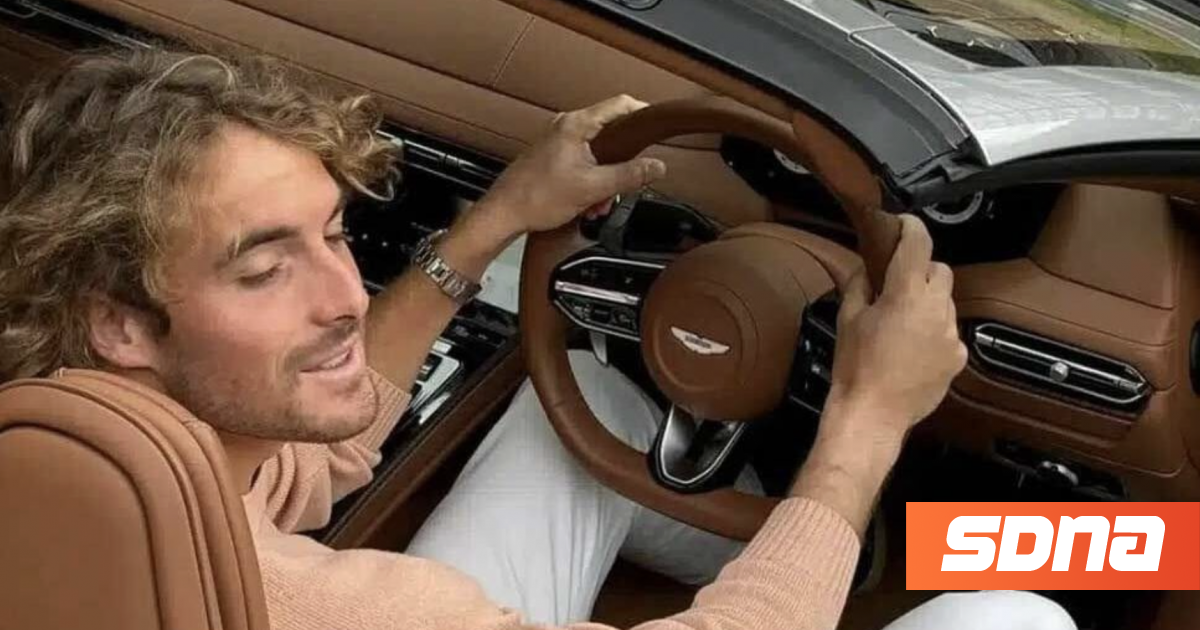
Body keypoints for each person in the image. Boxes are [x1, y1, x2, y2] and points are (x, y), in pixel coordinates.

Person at [0, 47, 1076, 630]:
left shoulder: (101, 447)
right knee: (1014, 614)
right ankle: (846, 559)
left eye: (335, 234)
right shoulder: (325, 606)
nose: (345, 295)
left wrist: (496, 221)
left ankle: (822, 562)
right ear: (119, 320)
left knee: (590, 409)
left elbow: (310, 457)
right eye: (264, 267)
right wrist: (865, 423)